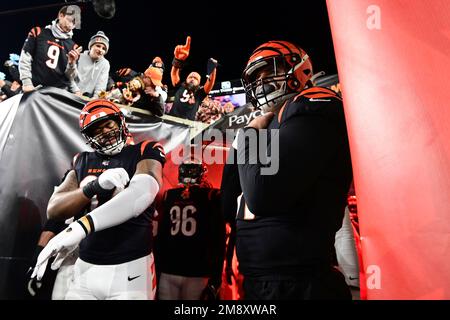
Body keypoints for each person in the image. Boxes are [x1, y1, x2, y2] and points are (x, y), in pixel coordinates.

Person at [232, 40, 353, 299]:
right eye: (257, 77)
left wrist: (249, 133)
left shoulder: (312, 104)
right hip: (259, 283)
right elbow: (229, 202)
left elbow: (261, 196)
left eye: (269, 72)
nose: (262, 82)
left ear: (300, 70)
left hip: (298, 285)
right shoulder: (274, 125)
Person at [31, 99, 166, 300]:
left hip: (130, 265)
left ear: (120, 122)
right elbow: (54, 210)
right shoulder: (82, 160)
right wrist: (92, 187)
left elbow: (143, 193)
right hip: (85, 265)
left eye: (108, 124)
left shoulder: (145, 149)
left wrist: (80, 227)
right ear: (89, 137)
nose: (105, 132)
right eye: (96, 130)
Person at [155, 161, 225, 300]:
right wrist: (216, 276)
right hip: (197, 270)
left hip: (170, 268)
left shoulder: (169, 195)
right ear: (202, 175)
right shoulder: (211, 195)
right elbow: (218, 239)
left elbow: (161, 236)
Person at [19, 5, 81, 92]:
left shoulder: (74, 46)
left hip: (58, 93)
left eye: (74, 23)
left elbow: (69, 77)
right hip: (35, 89)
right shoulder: (38, 32)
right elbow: (25, 59)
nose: (71, 25)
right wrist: (27, 83)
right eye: (70, 20)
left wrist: (72, 64)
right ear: (61, 16)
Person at [168, 36, 218, 120]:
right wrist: (177, 60)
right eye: (190, 77)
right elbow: (174, 73)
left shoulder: (199, 93)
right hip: (171, 121)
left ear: (199, 83)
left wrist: (213, 69)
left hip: (187, 126)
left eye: (195, 78)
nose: (192, 78)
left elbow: (210, 83)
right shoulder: (180, 86)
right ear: (186, 79)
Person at [67, 31, 111, 98]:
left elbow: (100, 87)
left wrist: (93, 101)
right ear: (91, 46)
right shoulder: (79, 57)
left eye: (104, 48)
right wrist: (76, 91)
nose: (100, 50)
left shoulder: (105, 64)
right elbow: (69, 77)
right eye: (98, 46)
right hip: (71, 93)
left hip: (88, 100)